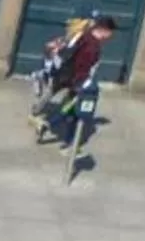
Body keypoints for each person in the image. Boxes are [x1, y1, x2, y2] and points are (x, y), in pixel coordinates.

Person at [38, 16, 118, 146]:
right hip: (78, 82)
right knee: (73, 111)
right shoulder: (93, 46)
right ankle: (56, 132)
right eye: (110, 33)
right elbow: (83, 66)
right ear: (104, 30)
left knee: (71, 110)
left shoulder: (84, 36)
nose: (110, 37)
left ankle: (58, 133)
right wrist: (82, 83)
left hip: (69, 77)